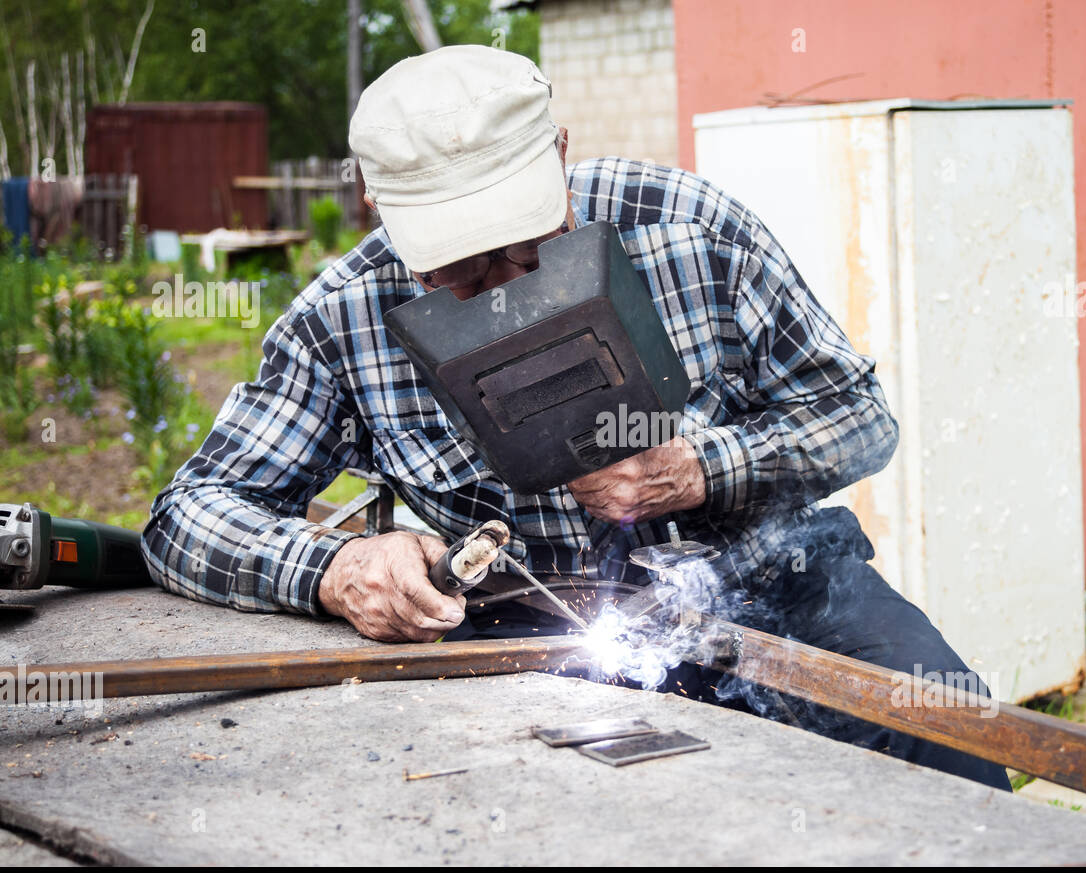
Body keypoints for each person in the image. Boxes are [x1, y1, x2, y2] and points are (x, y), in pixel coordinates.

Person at [142, 46, 1011, 793]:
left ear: (560, 152)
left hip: (774, 584)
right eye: (464, 270)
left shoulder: (690, 228)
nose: (506, 285)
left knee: (951, 741)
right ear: (377, 203)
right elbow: (189, 514)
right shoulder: (343, 317)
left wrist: (705, 470)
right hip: (537, 627)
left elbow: (858, 416)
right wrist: (336, 564)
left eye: (525, 245)